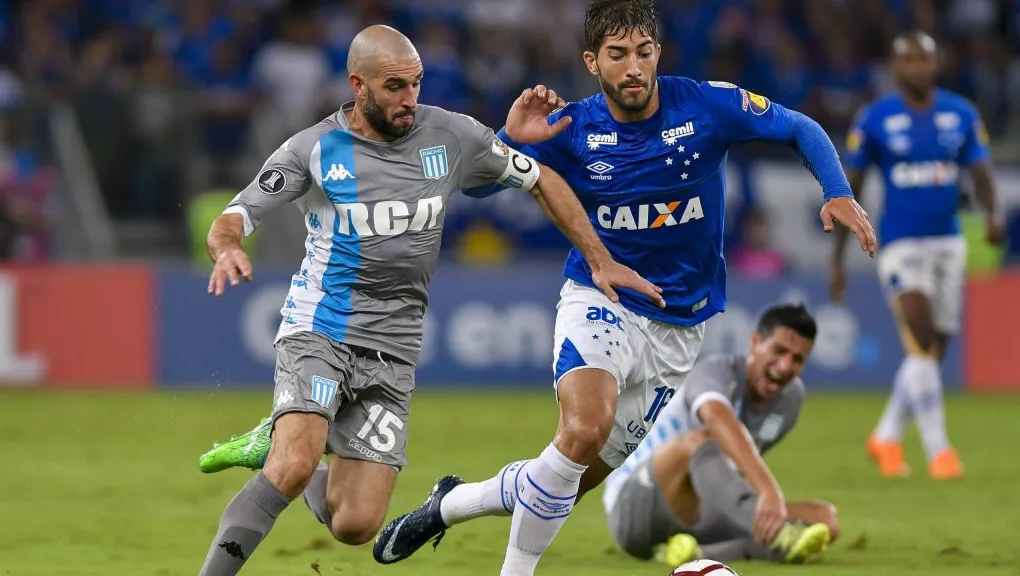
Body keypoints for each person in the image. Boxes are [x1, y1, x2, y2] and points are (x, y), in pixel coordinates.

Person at [373, 2, 875, 575]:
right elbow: (480, 190)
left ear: (657, 53)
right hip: (601, 296)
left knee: (568, 478)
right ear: (592, 61)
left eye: (643, 52)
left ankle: (452, 503)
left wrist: (836, 189)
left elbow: (798, 126)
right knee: (585, 428)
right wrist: (509, 138)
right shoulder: (572, 127)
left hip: (680, 326)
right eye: (617, 55)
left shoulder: (707, 105)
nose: (633, 67)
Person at [194, 24, 662, 576]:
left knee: (354, 524)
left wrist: (600, 257)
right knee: (295, 464)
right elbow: (234, 216)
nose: (409, 100)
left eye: (415, 85)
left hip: (394, 349)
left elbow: (541, 179)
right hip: (322, 326)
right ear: (358, 85)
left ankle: (281, 441)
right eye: (394, 87)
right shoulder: (312, 149)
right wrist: (226, 248)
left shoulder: (451, 136)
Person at [830, 31, 1003, 480]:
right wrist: (837, 261)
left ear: (936, 62)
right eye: (908, 60)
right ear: (896, 67)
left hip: (949, 242)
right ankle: (939, 451)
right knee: (922, 334)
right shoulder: (876, 118)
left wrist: (993, 213)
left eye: (924, 59)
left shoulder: (960, 113)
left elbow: (980, 169)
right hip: (901, 244)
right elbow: (851, 187)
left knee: (928, 352)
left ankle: (886, 436)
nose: (917, 67)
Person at [603, 304, 838, 568]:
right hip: (635, 506)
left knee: (824, 519)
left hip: (701, 509)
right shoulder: (713, 372)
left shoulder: (790, 401)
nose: (784, 366)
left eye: (797, 359)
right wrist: (768, 491)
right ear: (755, 341)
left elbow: (732, 471)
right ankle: (780, 537)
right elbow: (717, 419)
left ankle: (699, 555)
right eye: (779, 350)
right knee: (701, 440)